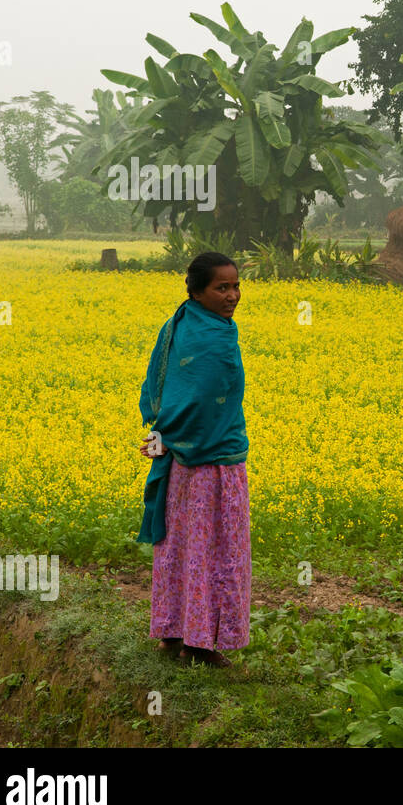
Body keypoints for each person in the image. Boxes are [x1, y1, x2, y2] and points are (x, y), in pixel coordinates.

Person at [138, 252, 251, 668]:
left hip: (178, 462)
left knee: (182, 546)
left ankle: (172, 634)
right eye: (222, 287)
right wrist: (179, 438)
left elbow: (159, 385)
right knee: (217, 550)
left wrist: (163, 435)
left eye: (236, 286)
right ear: (198, 290)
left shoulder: (179, 323)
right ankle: (201, 644)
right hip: (214, 465)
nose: (233, 295)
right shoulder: (215, 336)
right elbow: (202, 398)